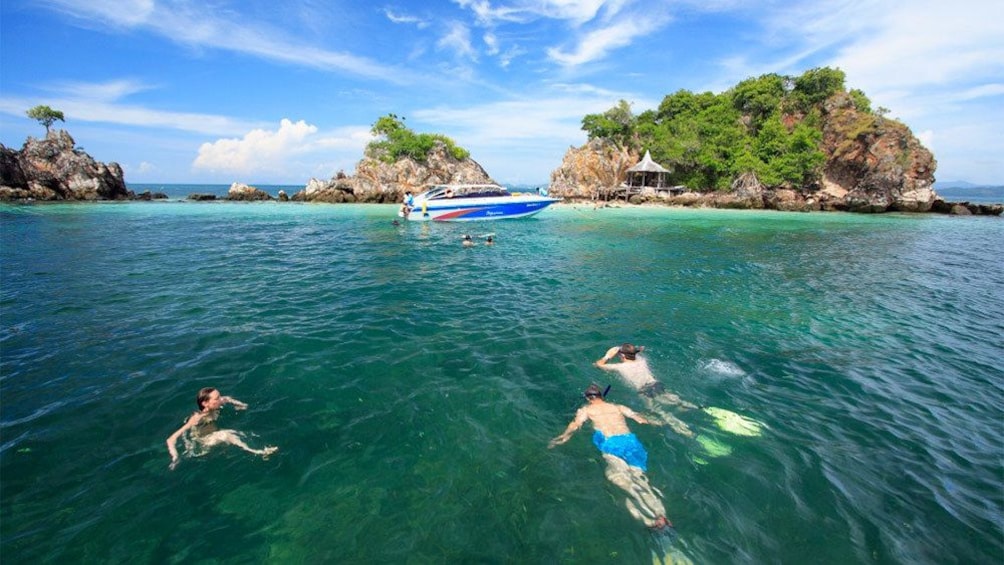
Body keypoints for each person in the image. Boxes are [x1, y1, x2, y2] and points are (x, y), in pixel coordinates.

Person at [549, 384, 672, 530]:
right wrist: (657, 422)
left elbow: (576, 424)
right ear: (601, 396)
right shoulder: (618, 407)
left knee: (618, 478)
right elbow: (639, 419)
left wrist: (563, 437)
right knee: (641, 479)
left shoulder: (586, 410)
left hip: (612, 444)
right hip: (631, 443)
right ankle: (661, 514)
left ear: (589, 398)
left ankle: (650, 521)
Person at [595, 344, 696, 438]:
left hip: (645, 391)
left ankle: (685, 431)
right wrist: (635, 350)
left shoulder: (620, 367)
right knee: (677, 400)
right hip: (656, 384)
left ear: (622, 356)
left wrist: (608, 356)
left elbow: (598, 364)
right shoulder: (642, 360)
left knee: (659, 411)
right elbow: (636, 352)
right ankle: (700, 408)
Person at [166, 387, 277, 470]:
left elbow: (227, 399)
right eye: (217, 398)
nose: (220, 399)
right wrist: (175, 457)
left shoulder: (215, 404)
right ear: (205, 403)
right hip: (204, 441)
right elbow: (170, 439)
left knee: (234, 432)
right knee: (226, 434)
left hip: (213, 432)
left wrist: (240, 405)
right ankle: (258, 452)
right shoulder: (196, 418)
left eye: (219, 396)